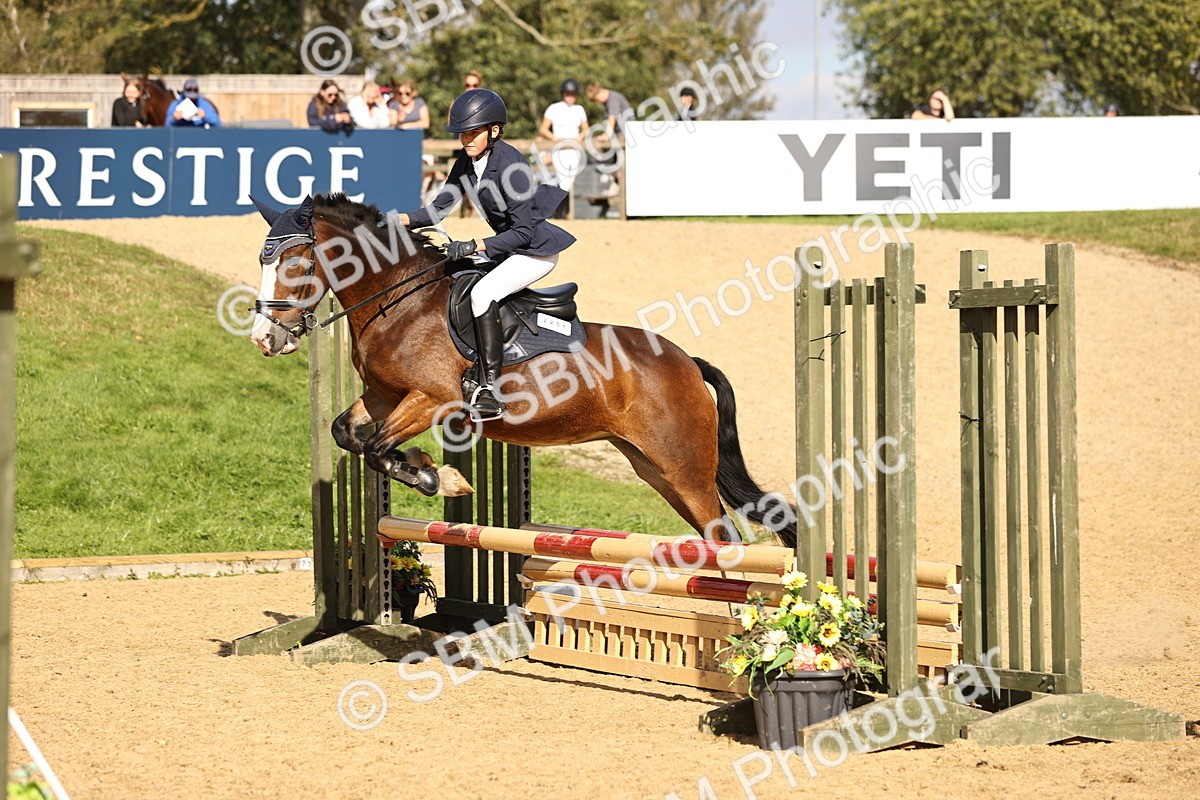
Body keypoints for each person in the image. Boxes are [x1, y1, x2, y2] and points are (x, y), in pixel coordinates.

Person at [396, 89, 575, 422]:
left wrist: (473, 245)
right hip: (507, 246)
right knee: (453, 276)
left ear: (494, 131)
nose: (466, 139)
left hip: (534, 251)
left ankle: (490, 389)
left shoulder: (513, 165)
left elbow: (523, 233)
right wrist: (395, 219)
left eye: (473, 132)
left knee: (483, 294)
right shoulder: (465, 162)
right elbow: (437, 210)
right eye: (462, 133)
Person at [538, 78, 589, 193]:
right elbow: (543, 129)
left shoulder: (579, 109)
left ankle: (569, 207)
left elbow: (585, 128)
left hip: (575, 148)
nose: (570, 97)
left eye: (573, 94)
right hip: (560, 149)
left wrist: (581, 136)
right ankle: (564, 208)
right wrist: (554, 138)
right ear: (563, 94)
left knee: (572, 181)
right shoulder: (554, 108)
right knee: (564, 182)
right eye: (568, 94)